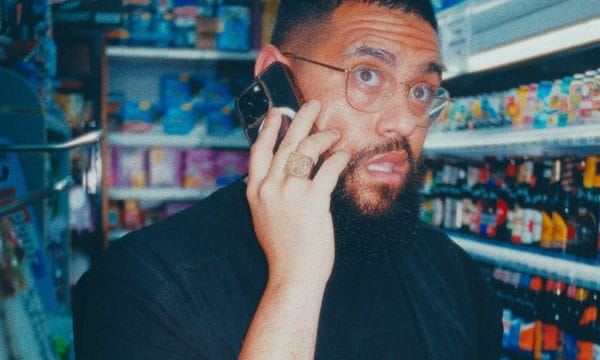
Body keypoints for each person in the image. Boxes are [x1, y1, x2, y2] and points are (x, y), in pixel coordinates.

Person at [73, 1, 502, 359]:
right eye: (367, 75)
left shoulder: (455, 275)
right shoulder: (144, 287)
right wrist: (295, 280)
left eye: (422, 90)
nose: (405, 122)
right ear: (276, 77)